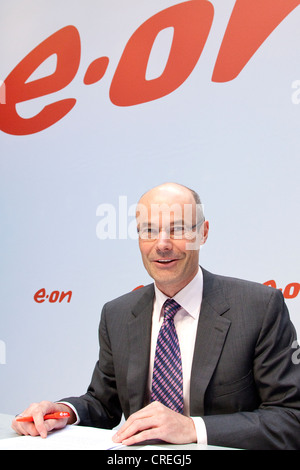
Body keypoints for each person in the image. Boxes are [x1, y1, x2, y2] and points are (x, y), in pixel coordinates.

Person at [12, 182, 300, 449]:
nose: (162, 244)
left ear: (203, 233)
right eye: (149, 230)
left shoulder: (259, 308)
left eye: (177, 229)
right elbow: (103, 403)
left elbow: (291, 417)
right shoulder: (118, 314)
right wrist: (63, 412)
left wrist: (192, 428)